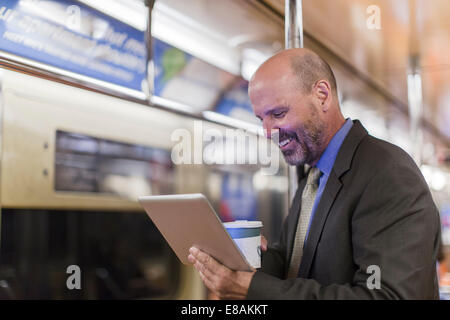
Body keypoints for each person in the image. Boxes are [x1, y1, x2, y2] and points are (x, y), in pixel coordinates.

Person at [188, 48, 441, 299]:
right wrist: (248, 261)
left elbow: (385, 296)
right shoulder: (313, 176)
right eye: (261, 119)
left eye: (278, 114)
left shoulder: (387, 173)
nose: (268, 132)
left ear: (322, 95)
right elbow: (296, 262)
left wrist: (251, 288)